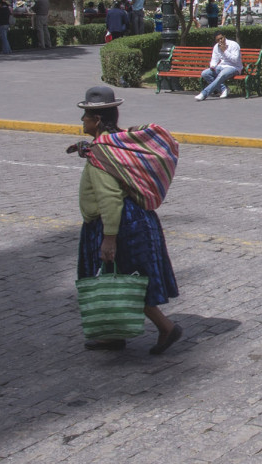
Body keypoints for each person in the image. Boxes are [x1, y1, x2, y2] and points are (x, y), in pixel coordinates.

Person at [71, 86, 182, 354]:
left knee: (125, 279)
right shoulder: (115, 142)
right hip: (136, 219)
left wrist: (109, 238)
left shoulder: (101, 152)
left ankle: (166, 328)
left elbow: (109, 197)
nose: (81, 121)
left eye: (85, 116)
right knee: (116, 276)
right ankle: (112, 335)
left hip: (120, 225)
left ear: (96, 120)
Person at [195, 32, 243, 101]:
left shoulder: (233, 45)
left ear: (224, 36)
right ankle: (223, 89)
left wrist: (225, 51)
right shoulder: (216, 47)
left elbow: (235, 60)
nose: (220, 41)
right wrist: (212, 66)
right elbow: (214, 59)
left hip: (234, 67)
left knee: (222, 74)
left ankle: (204, 93)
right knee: (205, 73)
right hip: (222, 66)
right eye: (218, 40)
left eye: (221, 38)